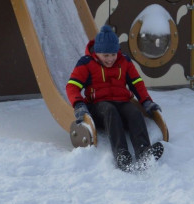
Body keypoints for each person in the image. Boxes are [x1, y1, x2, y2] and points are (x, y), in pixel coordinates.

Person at [66, 24, 164, 171]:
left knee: (134, 112)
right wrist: (78, 104)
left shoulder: (124, 61)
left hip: (121, 101)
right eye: (106, 55)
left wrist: (146, 101)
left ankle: (144, 152)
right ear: (96, 53)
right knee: (109, 110)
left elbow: (137, 83)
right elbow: (72, 86)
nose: (110, 59)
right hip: (98, 105)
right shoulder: (86, 63)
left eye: (113, 54)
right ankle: (122, 155)